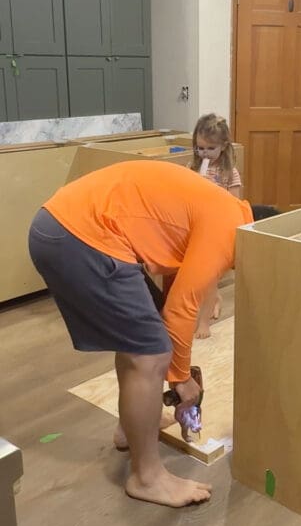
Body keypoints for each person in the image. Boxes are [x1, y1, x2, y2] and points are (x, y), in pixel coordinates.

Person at [28, 161, 252, 508]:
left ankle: (129, 429)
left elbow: (172, 294)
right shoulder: (230, 228)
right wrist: (180, 379)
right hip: (80, 234)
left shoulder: (223, 208)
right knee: (151, 352)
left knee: (140, 341)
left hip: (64, 224)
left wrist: (178, 370)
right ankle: (147, 477)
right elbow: (180, 309)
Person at [189, 114, 242, 338]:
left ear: (223, 146)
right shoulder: (193, 166)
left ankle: (204, 323)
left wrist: (213, 192)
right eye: (200, 148)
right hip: (197, 228)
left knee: (209, 278)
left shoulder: (229, 172)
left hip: (218, 231)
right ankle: (214, 299)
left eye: (210, 149)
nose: (204, 154)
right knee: (199, 278)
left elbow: (235, 203)